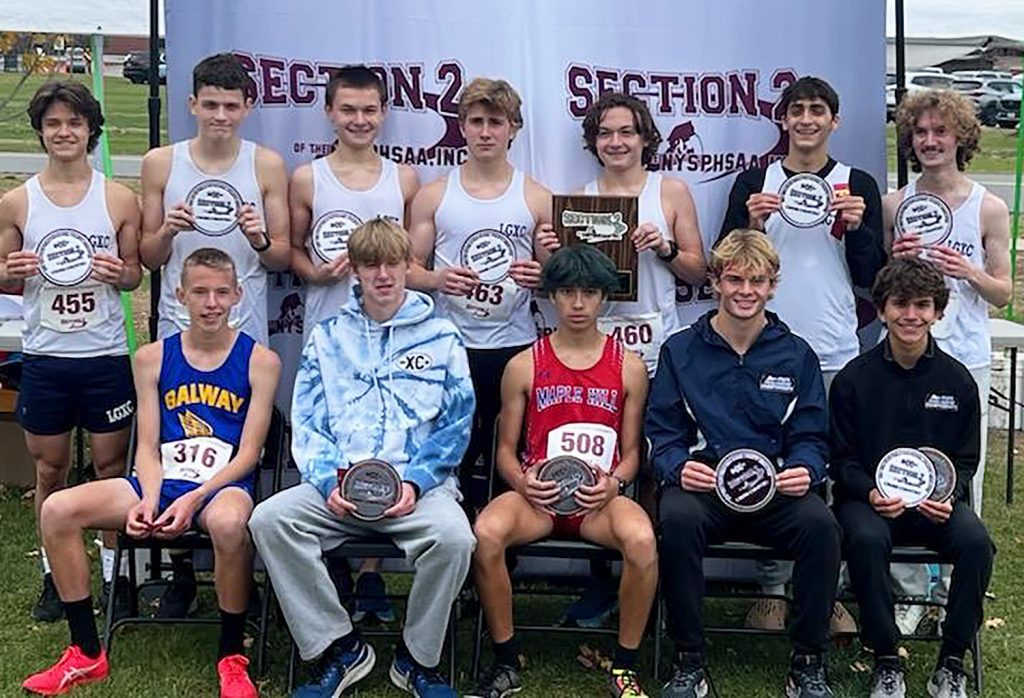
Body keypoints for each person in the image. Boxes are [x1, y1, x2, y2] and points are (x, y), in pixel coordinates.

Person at [21, 248, 281, 697]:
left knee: (228, 523)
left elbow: (250, 454)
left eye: (222, 292)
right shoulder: (152, 358)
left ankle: (231, 655)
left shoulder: (261, 361)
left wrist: (193, 499)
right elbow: (147, 443)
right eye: (200, 292)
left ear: (239, 294)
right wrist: (148, 498)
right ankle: (86, 652)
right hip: (161, 479)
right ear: (180, 295)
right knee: (59, 509)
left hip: (222, 485)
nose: (211, 302)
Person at [249, 217, 476, 697]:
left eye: (393, 263)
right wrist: (330, 484)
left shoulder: (441, 336)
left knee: (456, 538)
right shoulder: (328, 337)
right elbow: (307, 423)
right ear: (354, 269)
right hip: (339, 490)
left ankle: (417, 660)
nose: (383, 275)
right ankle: (339, 646)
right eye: (371, 265)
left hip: (418, 492)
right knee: (270, 520)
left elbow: (457, 423)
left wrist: (415, 482)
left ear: (408, 266)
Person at [718, 75, 884, 633]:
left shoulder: (854, 183)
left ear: (834, 121)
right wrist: (752, 221)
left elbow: (872, 278)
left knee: (828, 470)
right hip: (761, 345)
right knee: (763, 460)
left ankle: (827, 589)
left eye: (817, 110)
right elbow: (725, 262)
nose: (807, 119)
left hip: (834, 343)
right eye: (797, 110)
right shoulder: (754, 180)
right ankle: (769, 587)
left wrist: (859, 229)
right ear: (783, 120)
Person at [649, 229, 841, 698]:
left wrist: (806, 469)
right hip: (706, 488)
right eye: (735, 279)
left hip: (774, 492)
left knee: (822, 527)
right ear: (715, 282)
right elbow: (662, 432)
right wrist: (677, 467)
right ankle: (689, 661)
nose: (745, 291)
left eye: (757, 281)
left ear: (774, 285)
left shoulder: (796, 354)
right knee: (675, 520)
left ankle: (808, 661)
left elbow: (813, 435)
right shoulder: (680, 350)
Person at [140, 52, 290, 615]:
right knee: (177, 444)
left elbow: (281, 258)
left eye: (231, 105)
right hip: (178, 332)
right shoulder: (161, 163)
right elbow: (146, 258)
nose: (220, 115)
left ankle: (240, 570)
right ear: (192, 104)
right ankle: (178, 569)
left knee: (239, 450)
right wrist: (167, 229)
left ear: (248, 107)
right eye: (210, 104)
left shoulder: (266, 165)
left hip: (245, 334)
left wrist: (256, 237)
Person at [469, 246, 655, 698]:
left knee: (643, 541)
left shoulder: (628, 366)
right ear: (551, 295)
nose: (577, 303)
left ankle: (625, 667)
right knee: (486, 533)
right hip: (539, 499)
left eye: (588, 292)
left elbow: (632, 453)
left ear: (604, 298)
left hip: (599, 501)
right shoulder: (523, 365)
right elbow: (505, 452)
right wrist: (522, 482)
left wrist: (614, 483)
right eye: (567, 291)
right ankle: (506, 659)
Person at [0, 81, 142, 623]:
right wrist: (10, 273)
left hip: (103, 354)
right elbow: (2, 273)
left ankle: (116, 578)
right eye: (54, 124)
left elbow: (133, 274)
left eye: (75, 123)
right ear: (40, 132)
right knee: (50, 469)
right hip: (46, 356)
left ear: (91, 131)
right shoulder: (17, 201)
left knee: (110, 469)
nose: (65, 133)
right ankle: (54, 577)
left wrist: (121, 273)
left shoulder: (117, 198)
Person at [289, 63, 419, 624]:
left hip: (388, 338)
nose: (359, 120)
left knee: (382, 442)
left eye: (369, 110)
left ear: (383, 114)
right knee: (327, 438)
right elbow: (288, 250)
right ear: (329, 112)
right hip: (328, 330)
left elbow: (414, 262)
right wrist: (311, 272)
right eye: (348, 110)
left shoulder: (404, 180)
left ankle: (369, 576)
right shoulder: (307, 179)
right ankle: (332, 563)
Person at [830, 257, 994, 698]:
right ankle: (886, 660)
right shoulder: (853, 379)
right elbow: (840, 460)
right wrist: (868, 491)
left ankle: (952, 661)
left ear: (938, 313)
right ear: (882, 309)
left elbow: (965, 459)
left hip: (934, 506)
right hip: (868, 504)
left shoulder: (957, 381)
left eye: (922, 305)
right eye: (900, 304)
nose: (911, 315)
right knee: (865, 540)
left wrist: (951, 492)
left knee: (977, 543)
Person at [883, 89, 1011, 636]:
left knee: (963, 475)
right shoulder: (895, 204)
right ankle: (912, 590)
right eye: (921, 133)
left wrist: (970, 273)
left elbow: (1004, 292)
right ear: (910, 140)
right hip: (907, 359)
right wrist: (893, 258)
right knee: (906, 468)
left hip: (965, 358)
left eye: (941, 132)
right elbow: (881, 287)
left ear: (961, 137)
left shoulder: (989, 206)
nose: (931, 142)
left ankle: (960, 588)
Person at [407, 76, 551, 510]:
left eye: (496, 121)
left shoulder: (537, 197)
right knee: (455, 450)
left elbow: (556, 277)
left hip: (515, 346)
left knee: (513, 451)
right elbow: (408, 270)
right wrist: (437, 280)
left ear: (513, 128)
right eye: (476, 121)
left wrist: (539, 277)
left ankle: (501, 552)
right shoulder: (434, 195)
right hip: (452, 344)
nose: (486, 131)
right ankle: (458, 547)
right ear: (462, 127)